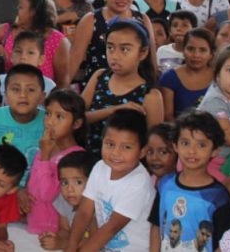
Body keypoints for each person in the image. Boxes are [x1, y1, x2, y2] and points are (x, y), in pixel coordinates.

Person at [66, 109, 155, 251]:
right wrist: (70, 247)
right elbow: (84, 212)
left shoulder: (139, 183)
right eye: (110, 144)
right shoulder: (100, 167)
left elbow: (111, 229)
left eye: (126, 147)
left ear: (142, 152)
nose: (115, 153)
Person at [148, 110, 230, 252]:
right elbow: (156, 225)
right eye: (185, 143)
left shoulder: (218, 196)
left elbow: (224, 244)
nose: (192, 151)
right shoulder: (165, 184)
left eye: (201, 145)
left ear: (215, 151)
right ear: (175, 146)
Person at [81, 19, 163, 150]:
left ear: (143, 53)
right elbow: (77, 118)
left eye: (124, 49)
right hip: (90, 157)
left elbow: (153, 143)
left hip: (125, 161)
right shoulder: (99, 77)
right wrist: (114, 110)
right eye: (110, 48)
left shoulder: (150, 95)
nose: (115, 56)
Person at [67, 0, 156, 88]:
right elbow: (75, 59)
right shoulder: (91, 20)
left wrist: (154, 86)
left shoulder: (142, 19)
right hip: (97, 87)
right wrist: (62, 91)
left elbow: (151, 58)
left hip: (136, 87)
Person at [25, 89, 86, 234]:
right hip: (33, 225)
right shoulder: (46, 147)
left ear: (76, 123)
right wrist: (23, 192)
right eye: (48, 113)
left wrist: (45, 156)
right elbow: (34, 183)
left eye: (59, 116)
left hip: (55, 232)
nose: (50, 122)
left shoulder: (76, 157)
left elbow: (47, 194)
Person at [0, 64, 46, 193]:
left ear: (42, 96)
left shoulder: (49, 121)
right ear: (5, 95)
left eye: (30, 90)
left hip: (40, 189)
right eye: (16, 89)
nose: (23, 95)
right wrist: (17, 192)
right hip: (3, 187)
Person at [0, 0, 68, 79]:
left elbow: (63, 82)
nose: (13, 11)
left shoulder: (57, 40)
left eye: (19, 7)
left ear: (33, 11)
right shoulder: (7, 29)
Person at [197, 44, 230, 187]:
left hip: (228, 159)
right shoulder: (215, 101)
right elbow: (227, 137)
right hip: (208, 164)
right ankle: (225, 196)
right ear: (217, 75)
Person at [38, 150, 97, 250]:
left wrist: (63, 244)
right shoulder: (63, 200)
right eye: (64, 182)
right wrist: (57, 237)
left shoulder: (97, 209)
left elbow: (95, 243)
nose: (69, 189)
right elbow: (65, 230)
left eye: (78, 182)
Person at [161, 28, 214, 119]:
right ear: (183, 51)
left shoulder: (219, 77)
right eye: (190, 49)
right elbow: (167, 116)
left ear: (211, 54)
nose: (196, 55)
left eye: (202, 50)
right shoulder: (169, 78)